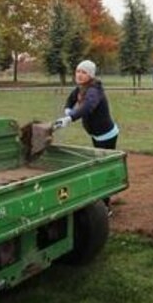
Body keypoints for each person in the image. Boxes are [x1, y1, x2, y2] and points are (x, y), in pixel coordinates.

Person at [53, 60, 120, 214]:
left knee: (104, 168)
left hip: (107, 135)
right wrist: (68, 109)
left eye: (84, 72)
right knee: (100, 165)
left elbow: (88, 107)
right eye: (78, 71)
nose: (80, 75)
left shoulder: (94, 90)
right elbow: (71, 98)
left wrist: (70, 118)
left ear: (90, 75)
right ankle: (105, 198)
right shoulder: (81, 88)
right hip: (96, 134)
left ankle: (105, 206)